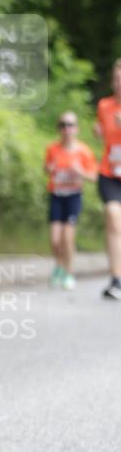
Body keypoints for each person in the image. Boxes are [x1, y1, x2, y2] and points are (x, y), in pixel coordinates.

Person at [44, 112, 97, 290]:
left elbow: (94, 176)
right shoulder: (52, 149)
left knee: (67, 236)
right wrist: (49, 168)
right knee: (54, 239)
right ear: (59, 128)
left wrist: (79, 171)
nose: (67, 129)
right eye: (63, 125)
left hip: (73, 196)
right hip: (56, 195)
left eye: (70, 125)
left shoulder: (84, 151)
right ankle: (59, 266)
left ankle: (68, 272)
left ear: (77, 128)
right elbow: (47, 168)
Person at [94, 58, 121, 300]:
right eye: (116, 80)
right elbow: (101, 130)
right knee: (113, 217)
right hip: (110, 173)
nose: (119, 85)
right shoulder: (104, 106)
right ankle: (116, 280)